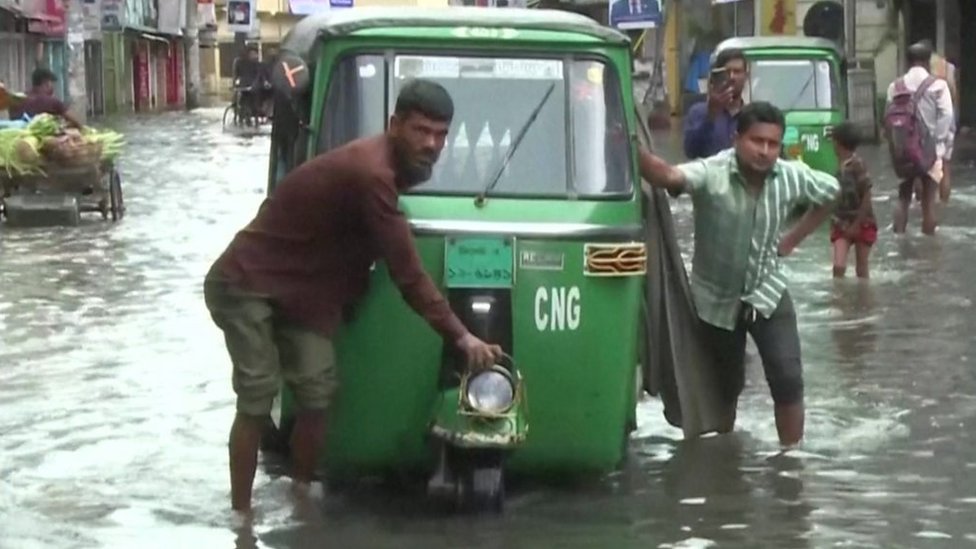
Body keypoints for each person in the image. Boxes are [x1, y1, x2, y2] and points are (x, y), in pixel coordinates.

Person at [204, 79, 503, 513]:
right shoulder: (373, 173)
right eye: (421, 131)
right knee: (256, 393)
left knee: (318, 391)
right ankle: (241, 520)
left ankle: (302, 495)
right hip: (245, 283)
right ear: (394, 125)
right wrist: (463, 338)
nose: (432, 144)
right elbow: (409, 275)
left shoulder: (389, 172)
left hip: (303, 294)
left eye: (441, 134)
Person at [636, 101, 840, 448]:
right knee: (725, 386)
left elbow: (832, 192)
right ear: (737, 139)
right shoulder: (713, 173)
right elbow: (668, 176)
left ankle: (791, 460)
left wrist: (792, 239)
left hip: (768, 293)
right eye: (756, 141)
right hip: (716, 299)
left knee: (788, 379)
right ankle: (724, 456)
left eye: (773, 144)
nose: (764, 151)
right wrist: (626, 143)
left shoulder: (792, 176)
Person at [886, 42, 954, 236]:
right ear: (927, 61)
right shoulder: (938, 85)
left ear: (908, 62)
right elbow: (947, 115)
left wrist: (895, 147)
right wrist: (938, 141)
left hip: (904, 149)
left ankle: (899, 239)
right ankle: (929, 252)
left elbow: (887, 119)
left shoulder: (895, 86)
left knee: (904, 197)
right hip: (929, 151)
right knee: (928, 202)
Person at [828, 122, 875, 279]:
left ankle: (862, 300)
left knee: (861, 269)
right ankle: (841, 299)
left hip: (862, 222)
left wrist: (857, 224)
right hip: (841, 222)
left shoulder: (858, 165)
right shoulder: (840, 166)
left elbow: (867, 194)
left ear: (837, 143)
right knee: (838, 267)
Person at [683, 48, 748, 159]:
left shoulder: (752, 116)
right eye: (727, 72)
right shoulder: (698, 112)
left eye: (737, 71)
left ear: (746, 76)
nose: (732, 77)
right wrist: (710, 116)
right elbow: (691, 152)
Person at [920, 40, 959, 203]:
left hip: (926, 121)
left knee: (922, 168)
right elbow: (954, 93)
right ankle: (944, 203)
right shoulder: (948, 67)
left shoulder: (921, 67)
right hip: (946, 118)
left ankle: (926, 205)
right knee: (945, 166)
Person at [9, 68, 82, 128]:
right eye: (51, 83)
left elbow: (13, 120)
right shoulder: (52, 102)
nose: (53, 86)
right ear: (47, 83)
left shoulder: (17, 99)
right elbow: (76, 122)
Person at [232, 44, 265, 119]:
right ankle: (244, 115)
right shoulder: (241, 62)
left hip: (252, 86)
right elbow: (237, 75)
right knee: (245, 100)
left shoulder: (255, 64)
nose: (254, 56)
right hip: (247, 85)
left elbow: (259, 75)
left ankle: (249, 115)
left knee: (251, 101)